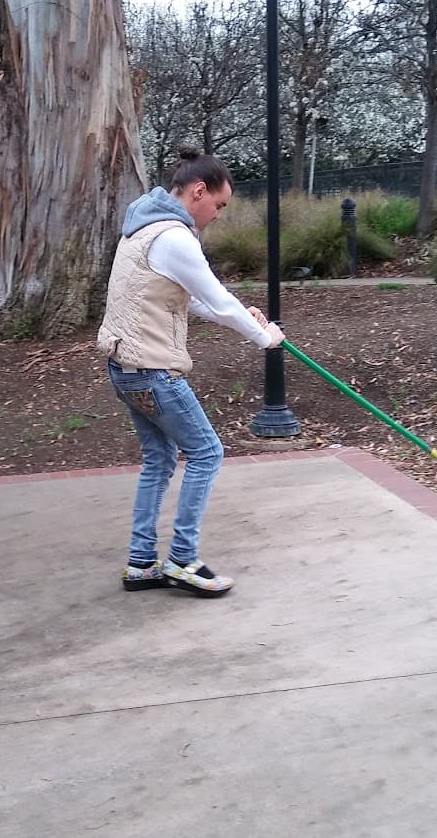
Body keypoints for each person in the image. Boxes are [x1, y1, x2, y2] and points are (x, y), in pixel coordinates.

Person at [96, 148, 284, 597]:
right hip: (154, 371)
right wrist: (266, 339)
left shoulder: (141, 230)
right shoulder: (175, 237)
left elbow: (196, 301)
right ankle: (182, 559)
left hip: (124, 369)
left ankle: (142, 563)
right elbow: (218, 300)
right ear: (199, 191)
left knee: (160, 458)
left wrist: (246, 319)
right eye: (219, 204)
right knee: (207, 453)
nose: (218, 215)